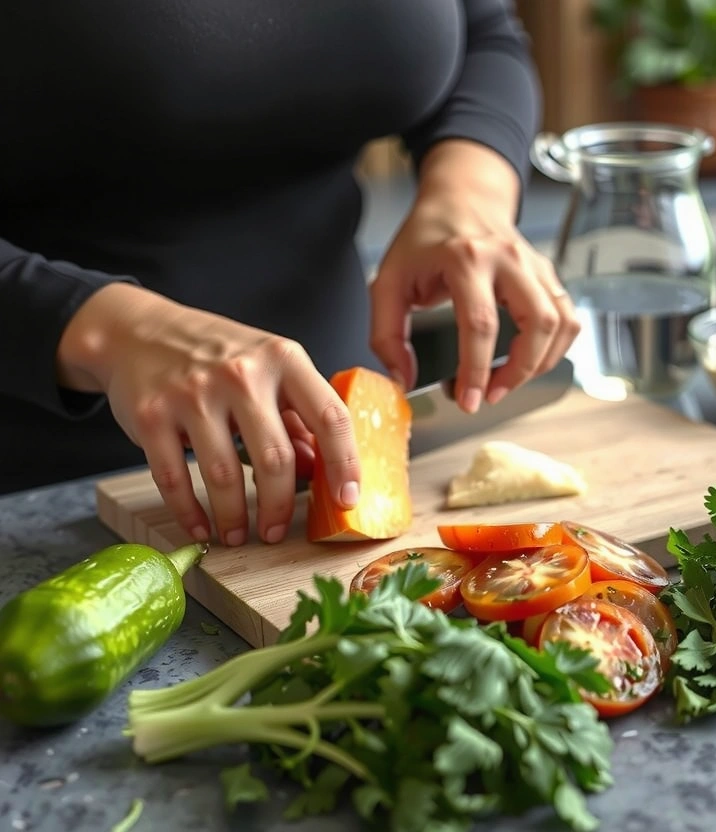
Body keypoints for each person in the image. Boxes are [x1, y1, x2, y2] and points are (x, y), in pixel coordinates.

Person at [0, 0, 579, 547]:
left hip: (339, 433)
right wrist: (107, 330)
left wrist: (469, 194)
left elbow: (484, 32)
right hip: (41, 502)